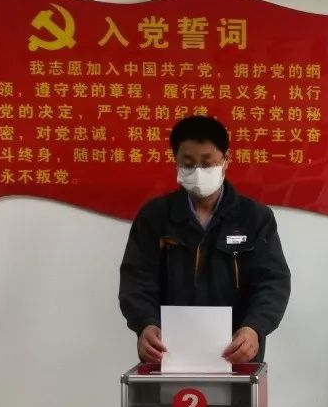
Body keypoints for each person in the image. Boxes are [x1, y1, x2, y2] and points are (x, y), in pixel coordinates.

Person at [119, 115, 290, 364]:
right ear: (175, 160)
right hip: (168, 353)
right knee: (169, 393)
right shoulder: (155, 217)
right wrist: (145, 324)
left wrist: (255, 328)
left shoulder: (254, 218)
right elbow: (136, 280)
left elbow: (272, 281)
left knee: (236, 392)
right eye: (188, 163)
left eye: (207, 163)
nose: (198, 171)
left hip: (237, 354)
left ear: (226, 159)